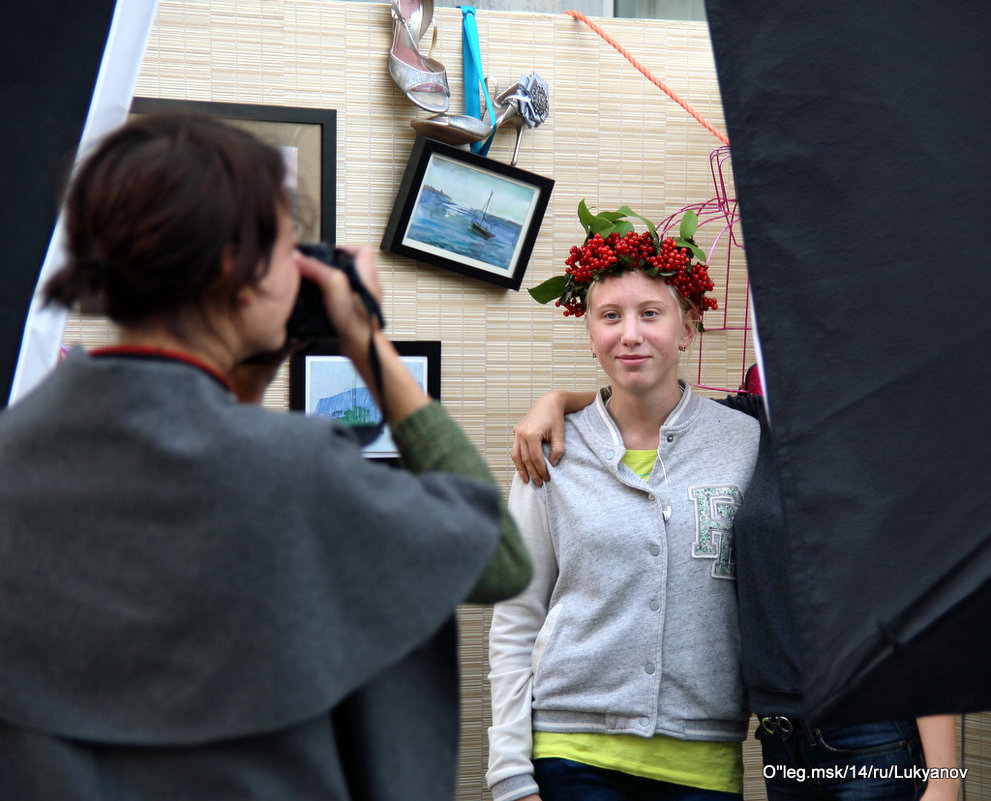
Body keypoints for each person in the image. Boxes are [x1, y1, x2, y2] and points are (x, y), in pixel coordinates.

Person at [0, 111, 531, 801]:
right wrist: (367, 344)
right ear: (235, 266)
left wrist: (242, 375)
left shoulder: (16, 453)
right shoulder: (299, 471)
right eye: (288, 249)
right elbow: (497, 555)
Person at [510, 364, 960, 801]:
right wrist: (557, 401)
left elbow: (918, 599)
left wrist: (944, 779)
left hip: (873, 729)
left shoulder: (886, 422)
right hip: (783, 740)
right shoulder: (755, 418)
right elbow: (650, 397)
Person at [486, 206, 761, 801]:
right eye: (609, 316)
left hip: (703, 762)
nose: (629, 334)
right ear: (590, 333)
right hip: (570, 756)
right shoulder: (550, 448)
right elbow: (516, 615)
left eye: (650, 314)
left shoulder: (745, 444)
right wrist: (509, 773)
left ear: (688, 326)